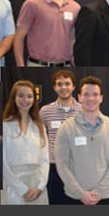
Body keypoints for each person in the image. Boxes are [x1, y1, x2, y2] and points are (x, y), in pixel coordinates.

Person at [55, 76, 109, 205]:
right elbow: (62, 164)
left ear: (101, 98)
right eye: (86, 94)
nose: (91, 99)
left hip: (105, 198)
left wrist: (99, 191)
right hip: (74, 198)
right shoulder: (66, 128)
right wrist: (80, 193)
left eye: (95, 94)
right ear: (79, 97)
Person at [39, 70, 83, 204]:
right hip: (54, 168)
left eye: (67, 84)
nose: (64, 87)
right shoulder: (45, 111)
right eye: (59, 84)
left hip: (78, 168)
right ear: (54, 87)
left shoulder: (83, 110)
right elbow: (41, 139)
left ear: (73, 86)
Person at [2, 80, 49, 205]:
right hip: (14, 186)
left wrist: (40, 187)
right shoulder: (5, 126)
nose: (25, 100)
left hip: (37, 186)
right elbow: (3, 162)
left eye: (29, 96)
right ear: (14, 98)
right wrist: (21, 189)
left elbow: (45, 160)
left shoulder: (39, 126)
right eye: (21, 95)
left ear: (34, 99)